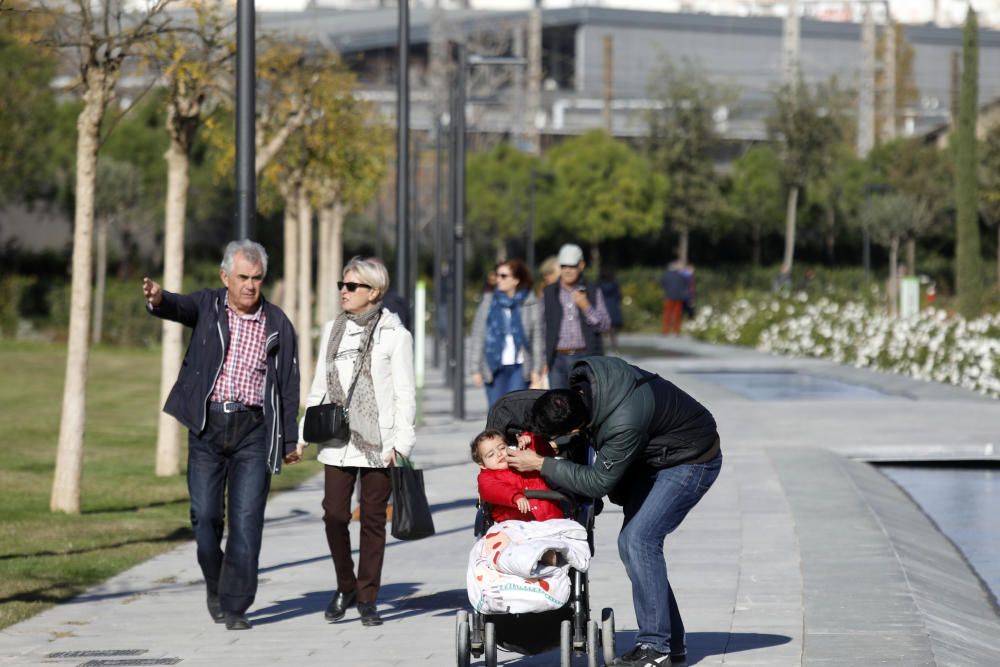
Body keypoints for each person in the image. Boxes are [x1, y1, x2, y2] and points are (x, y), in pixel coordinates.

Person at [507, 356, 722, 667]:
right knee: (635, 545)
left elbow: (597, 483)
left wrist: (542, 464)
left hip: (691, 459)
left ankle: (655, 647)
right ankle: (670, 642)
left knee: (639, 540)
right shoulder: (585, 384)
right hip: (656, 455)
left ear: (579, 424)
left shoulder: (624, 421)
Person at [141, 240, 299, 631]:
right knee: (205, 517)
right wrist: (159, 299)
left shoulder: (277, 323)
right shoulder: (209, 306)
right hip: (208, 427)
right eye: (242, 277)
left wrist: (290, 439)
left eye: (257, 278)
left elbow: (288, 384)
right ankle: (215, 583)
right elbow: (179, 307)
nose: (250, 285)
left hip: (254, 432)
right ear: (225, 277)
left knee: (247, 522)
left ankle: (235, 605)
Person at [295, 256, 416, 627]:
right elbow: (319, 387)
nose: (343, 292)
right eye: (342, 286)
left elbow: (405, 394)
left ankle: (367, 597)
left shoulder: (395, 335)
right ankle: (345, 585)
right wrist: (301, 436)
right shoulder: (333, 329)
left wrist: (402, 444)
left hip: (380, 442)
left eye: (352, 286)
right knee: (334, 515)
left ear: (374, 291)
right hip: (336, 440)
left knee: (373, 520)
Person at [469, 259, 545, 408]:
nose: (498, 279)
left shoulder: (529, 303)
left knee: (515, 410)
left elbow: (537, 338)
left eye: (503, 276)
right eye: (497, 275)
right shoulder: (488, 302)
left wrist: (537, 370)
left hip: (520, 366)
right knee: (496, 410)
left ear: (515, 280)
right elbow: (478, 335)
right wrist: (474, 369)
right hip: (494, 367)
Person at [542, 243, 611, 390]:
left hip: (586, 357)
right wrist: (542, 360)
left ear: (581, 265)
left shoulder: (592, 290)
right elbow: (541, 327)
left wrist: (586, 307)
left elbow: (605, 325)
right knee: (558, 408)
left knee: (585, 406)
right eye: (563, 266)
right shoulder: (549, 292)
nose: (567, 270)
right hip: (557, 359)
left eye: (572, 266)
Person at [471, 429, 561, 524]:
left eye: (502, 448)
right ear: (482, 465)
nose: (499, 454)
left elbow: (545, 455)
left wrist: (530, 442)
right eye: (491, 454)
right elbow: (495, 489)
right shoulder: (486, 478)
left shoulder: (523, 461)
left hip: (552, 519)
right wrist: (515, 496)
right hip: (517, 525)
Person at [597, 269, 624, 352]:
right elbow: (619, 296)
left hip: (603, 308)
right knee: (613, 331)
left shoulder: (598, 285)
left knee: (601, 330)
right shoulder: (615, 284)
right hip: (613, 308)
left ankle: (602, 348)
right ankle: (615, 348)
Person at [660, 260, 689, 335]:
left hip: (668, 297)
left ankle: (665, 331)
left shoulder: (666, 275)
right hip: (678, 297)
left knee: (667, 315)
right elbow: (685, 285)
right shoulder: (681, 276)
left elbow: (663, 284)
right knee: (677, 315)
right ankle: (676, 331)